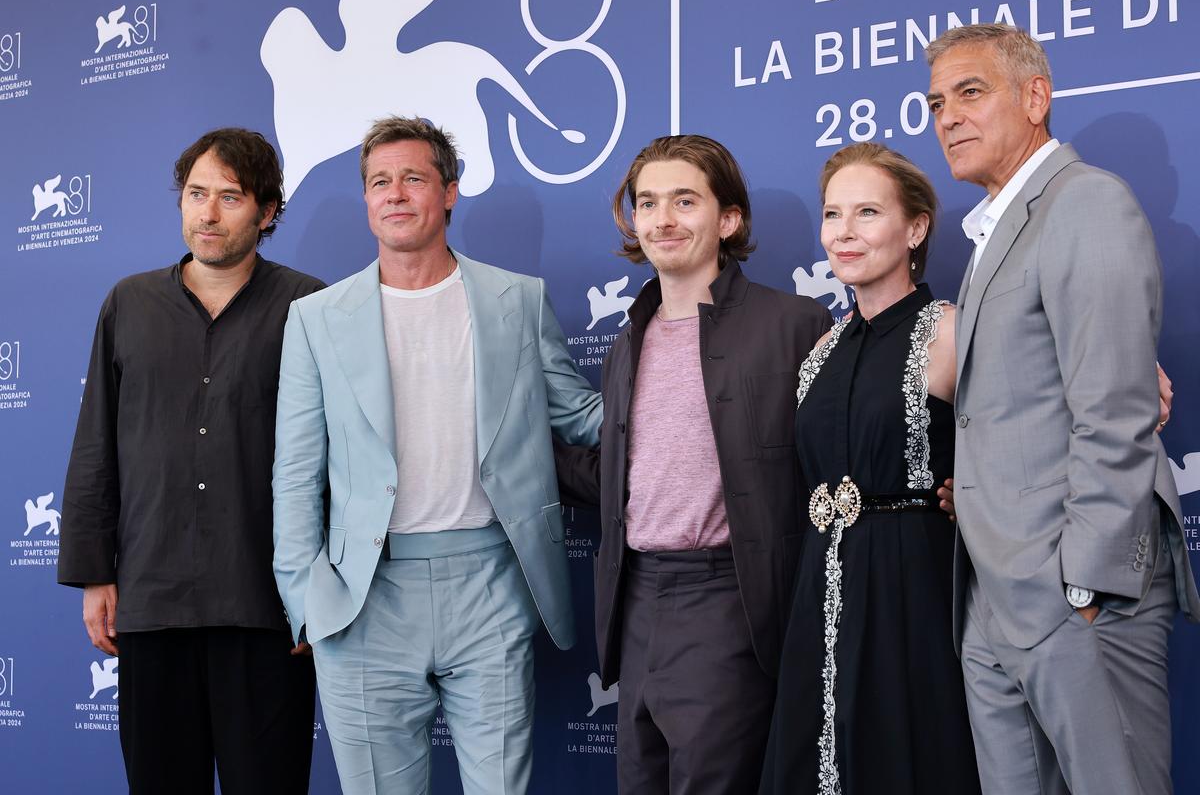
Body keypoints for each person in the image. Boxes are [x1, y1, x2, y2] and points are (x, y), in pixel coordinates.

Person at [271, 115, 602, 795]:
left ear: (449, 192)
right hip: (364, 600)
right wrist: (304, 599)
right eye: (379, 182)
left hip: (491, 585)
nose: (395, 194)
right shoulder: (315, 318)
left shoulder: (520, 300)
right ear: (367, 199)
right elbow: (296, 470)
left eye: (413, 178)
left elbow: (580, 416)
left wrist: (691, 400)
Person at [926, 23, 1199, 794]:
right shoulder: (993, 235)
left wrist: (1085, 588)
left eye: (970, 93)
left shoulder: (1085, 204)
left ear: (1036, 97)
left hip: (1077, 597)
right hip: (992, 595)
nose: (948, 116)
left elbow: (1116, 412)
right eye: (937, 102)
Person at [555, 134, 833, 794]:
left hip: (728, 597)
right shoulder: (629, 338)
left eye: (685, 200)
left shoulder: (793, 323)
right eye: (647, 203)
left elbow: (835, 458)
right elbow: (626, 476)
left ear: (728, 219)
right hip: (634, 598)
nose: (663, 219)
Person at [58, 128, 322, 794]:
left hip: (268, 609)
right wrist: (95, 575)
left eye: (229, 197)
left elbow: (343, 459)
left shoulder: (312, 308)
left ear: (266, 212)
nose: (206, 213)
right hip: (151, 605)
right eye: (196, 194)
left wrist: (325, 587)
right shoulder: (128, 304)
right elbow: (96, 445)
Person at [759, 142, 980, 794]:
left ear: (915, 229)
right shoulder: (822, 347)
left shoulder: (949, 330)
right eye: (833, 214)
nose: (844, 232)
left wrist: (975, 492)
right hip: (819, 583)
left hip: (915, 586)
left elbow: (1036, 426)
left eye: (867, 212)